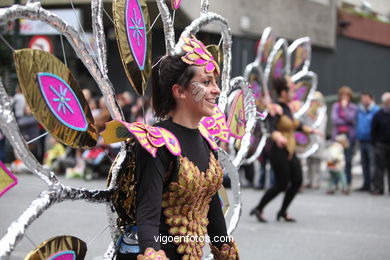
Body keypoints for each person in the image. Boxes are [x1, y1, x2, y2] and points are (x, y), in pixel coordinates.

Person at [109, 35, 238, 259]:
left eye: (215, 82)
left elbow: (213, 209)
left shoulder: (207, 141)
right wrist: (152, 251)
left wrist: (225, 250)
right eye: (206, 82)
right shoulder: (157, 142)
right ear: (179, 91)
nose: (216, 90)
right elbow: (147, 213)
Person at [250, 77, 322, 223]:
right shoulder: (275, 108)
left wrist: (313, 131)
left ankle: (282, 211)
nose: (293, 93)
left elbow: (297, 125)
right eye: (291, 90)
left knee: (297, 180)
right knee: (281, 184)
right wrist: (277, 136)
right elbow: (272, 126)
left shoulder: (288, 108)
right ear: (283, 92)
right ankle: (259, 208)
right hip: (278, 150)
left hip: (290, 149)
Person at [331, 86, 357, 188]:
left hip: (348, 136)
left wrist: (345, 108)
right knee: (334, 159)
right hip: (337, 136)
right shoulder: (336, 106)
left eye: (346, 96)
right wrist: (345, 121)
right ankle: (334, 182)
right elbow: (335, 120)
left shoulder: (353, 107)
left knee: (348, 160)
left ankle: (347, 182)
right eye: (342, 95)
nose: (344, 98)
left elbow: (351, 119)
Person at [355, 92, 379, 191]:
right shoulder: (359, 111)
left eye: (366, 98)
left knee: (372, 165)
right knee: (364, 165)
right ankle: (366, 184)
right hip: (361, 140)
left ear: (371, 99)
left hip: (371, 141)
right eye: (362, 98)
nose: (364, 100)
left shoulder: (376, 111)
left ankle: (374, 185)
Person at [371, 92, 390, 195]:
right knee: (379, 168)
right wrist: (376, 142)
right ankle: (378, 188)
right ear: (385, 102)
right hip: (381, 145)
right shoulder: (379, 114)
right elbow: (373, 130)